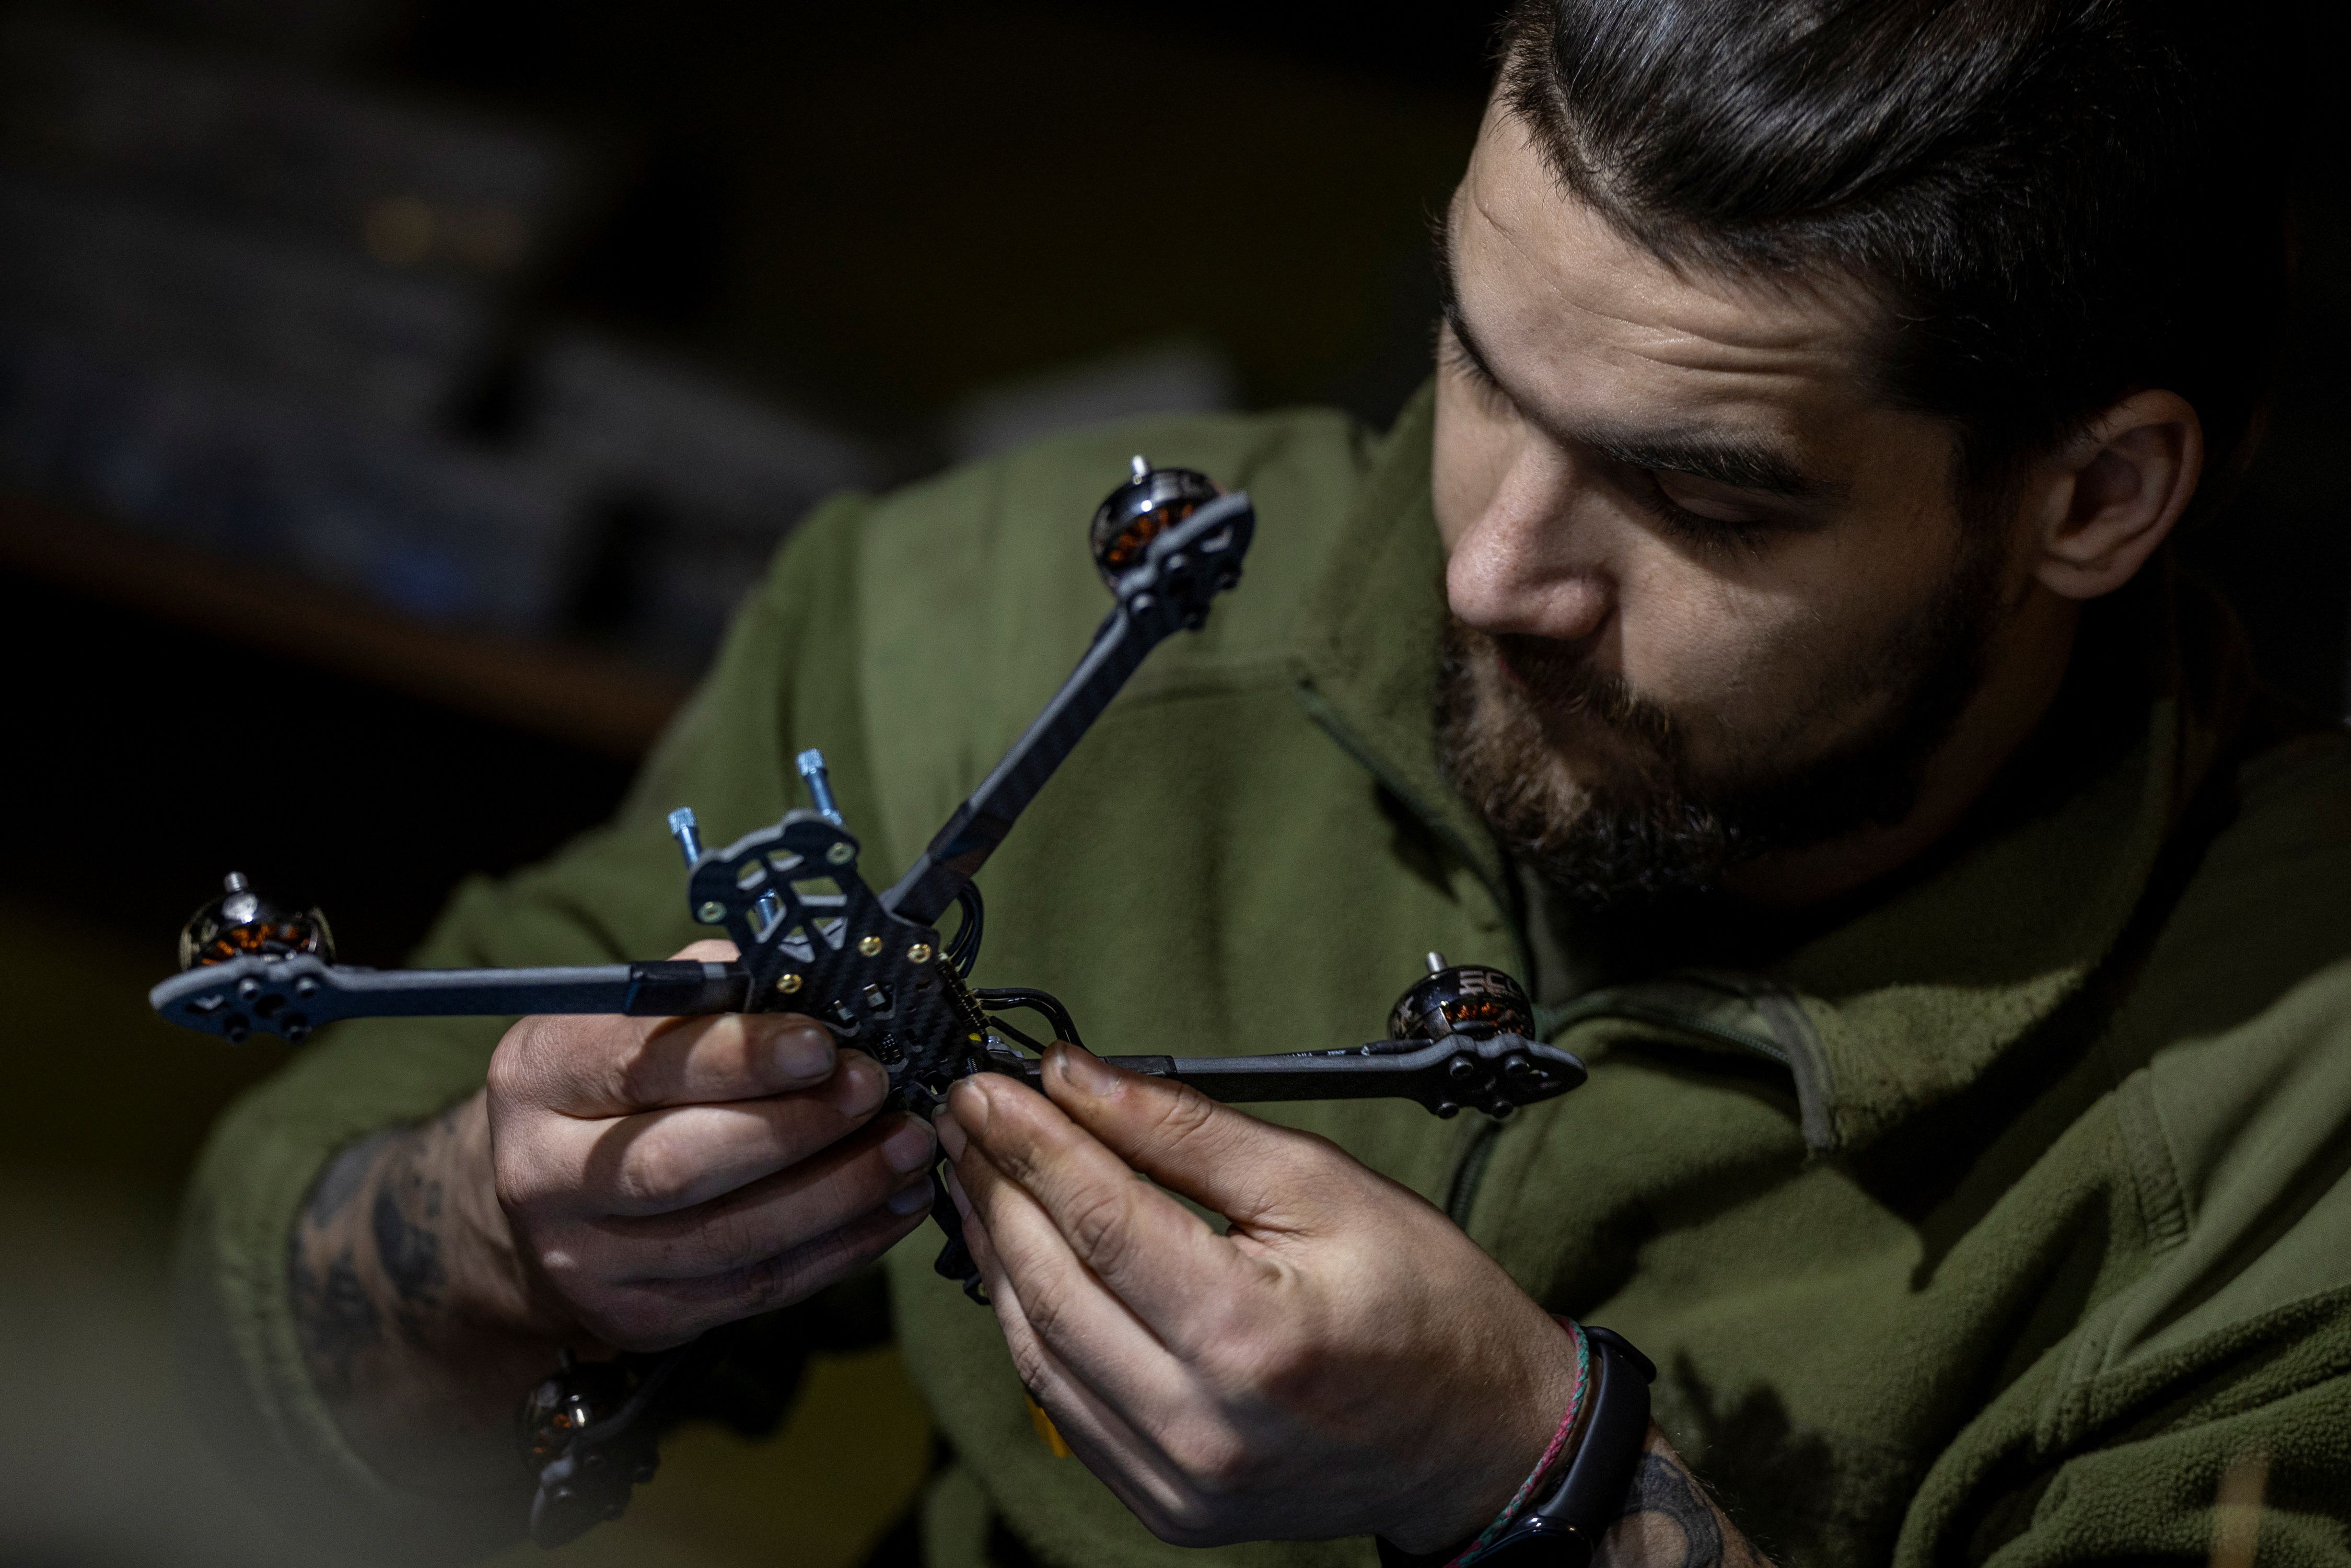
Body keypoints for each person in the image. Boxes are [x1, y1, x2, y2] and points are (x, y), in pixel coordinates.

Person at [179, 1, 2350, 1564]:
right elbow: (269, 1296)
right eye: (1482, 367)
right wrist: (498, 1225)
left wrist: (1532, 1483)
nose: (1491, 566)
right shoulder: (990, 616)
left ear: (2096, 494)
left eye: (1706, 498)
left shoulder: (2290, 1118)